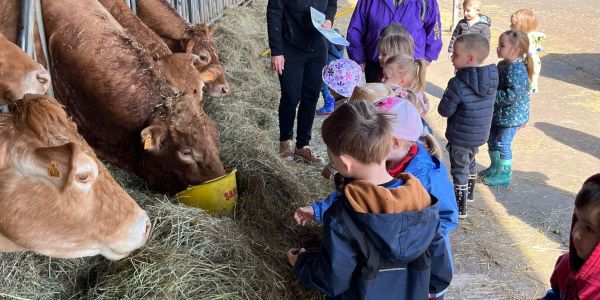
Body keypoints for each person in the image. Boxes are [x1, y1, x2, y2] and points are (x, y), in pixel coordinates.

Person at [289, 101, 452, 299]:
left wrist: (302, 261)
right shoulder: (422, 200)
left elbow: (333, 279)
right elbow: (440, 273)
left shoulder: (343, 215)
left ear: (345, 163)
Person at [266, 0, 337, 166]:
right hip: (290, 45)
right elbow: (274, 12)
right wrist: (276, 51)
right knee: (291, 95)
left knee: (311, 96)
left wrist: (329, 19)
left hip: (317, 46)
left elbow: (332, 3)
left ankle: (303, 145)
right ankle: (285, 141)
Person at [438, 33, 498, 218]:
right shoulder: (491, 79)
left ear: (469, 58)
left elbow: (445, 111)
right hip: (479, 134)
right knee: (471, 161)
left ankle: (460, 207)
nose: (451, 58)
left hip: (461, 135)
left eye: (455, 55)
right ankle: (470, 194)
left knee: (459, 168)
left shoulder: (457, 83)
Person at [480, 30, 532, 187]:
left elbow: (513, 95)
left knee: (503, 142)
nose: (498, 48)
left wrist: (492, 95)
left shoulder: (517, 70)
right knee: (492, 138)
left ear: (515, 51)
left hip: (511, 117)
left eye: (502, 45)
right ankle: (495, 166)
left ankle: (504, 174)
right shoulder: (503, 64)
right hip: (500, 114)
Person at [347, 0, 443, 83]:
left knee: (404, 101)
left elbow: (434, 32)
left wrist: (425, 60)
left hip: (408, 68)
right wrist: (358, 58)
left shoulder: (426, 2)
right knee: (376, 101)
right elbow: (356, 28)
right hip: (375, 65)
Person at [541, 173, 600, 300]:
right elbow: (555, 295)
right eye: (577, 220)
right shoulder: (566, 264)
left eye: (589, 228)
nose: (576, 234)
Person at [510, 9, 544, 94]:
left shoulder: (526, 38)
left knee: (531, 74)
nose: (510, 26)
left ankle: (531, 86)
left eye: (513, 25)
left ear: (522, 26)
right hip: (521, 60)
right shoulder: (516, 35)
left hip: (528, 60)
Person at [317, 32, 346, 115]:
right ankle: (335, 104)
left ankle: (328, 105)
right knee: (335, 85)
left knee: (323, 84)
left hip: (329, 67)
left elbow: (323, 53)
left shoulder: (329, 40)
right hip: (337, 66)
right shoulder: (341, 41)